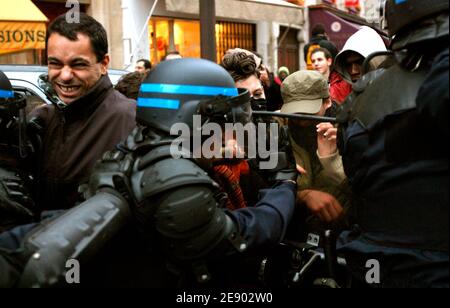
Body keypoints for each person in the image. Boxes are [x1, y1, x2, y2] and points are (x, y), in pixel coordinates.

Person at [0, 58, 298, 288]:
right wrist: (283, 185)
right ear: (200, 117)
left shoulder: (132, 153)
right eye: (224, 122)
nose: (229, 132)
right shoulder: (175, 179)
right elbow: (245, 235)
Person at [337, 0, 449, 288]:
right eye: (347, 64)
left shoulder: (360, 105)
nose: (354, 70)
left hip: (377, 269)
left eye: (356, 63)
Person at [29, 13, 136, 211]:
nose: (66, 75)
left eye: (78, 64)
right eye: (55, 64)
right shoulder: (42, 119)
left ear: (104, 64)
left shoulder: (130, 119)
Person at [281, 70, 348, 225]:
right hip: (294, 228)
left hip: (343, 227)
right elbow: (264, 189)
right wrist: (301, 196)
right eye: (294, 110)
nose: (300, 117)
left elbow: (362, 189)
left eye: (308, 110)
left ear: (328, 101)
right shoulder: (276, 128)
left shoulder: (349, 128)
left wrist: (331, 160)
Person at [331, 26, 387, 105]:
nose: (353, 71)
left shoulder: (394, 88)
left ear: (376, 61)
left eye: (360, 62)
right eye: (348, 64)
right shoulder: (340, 92)